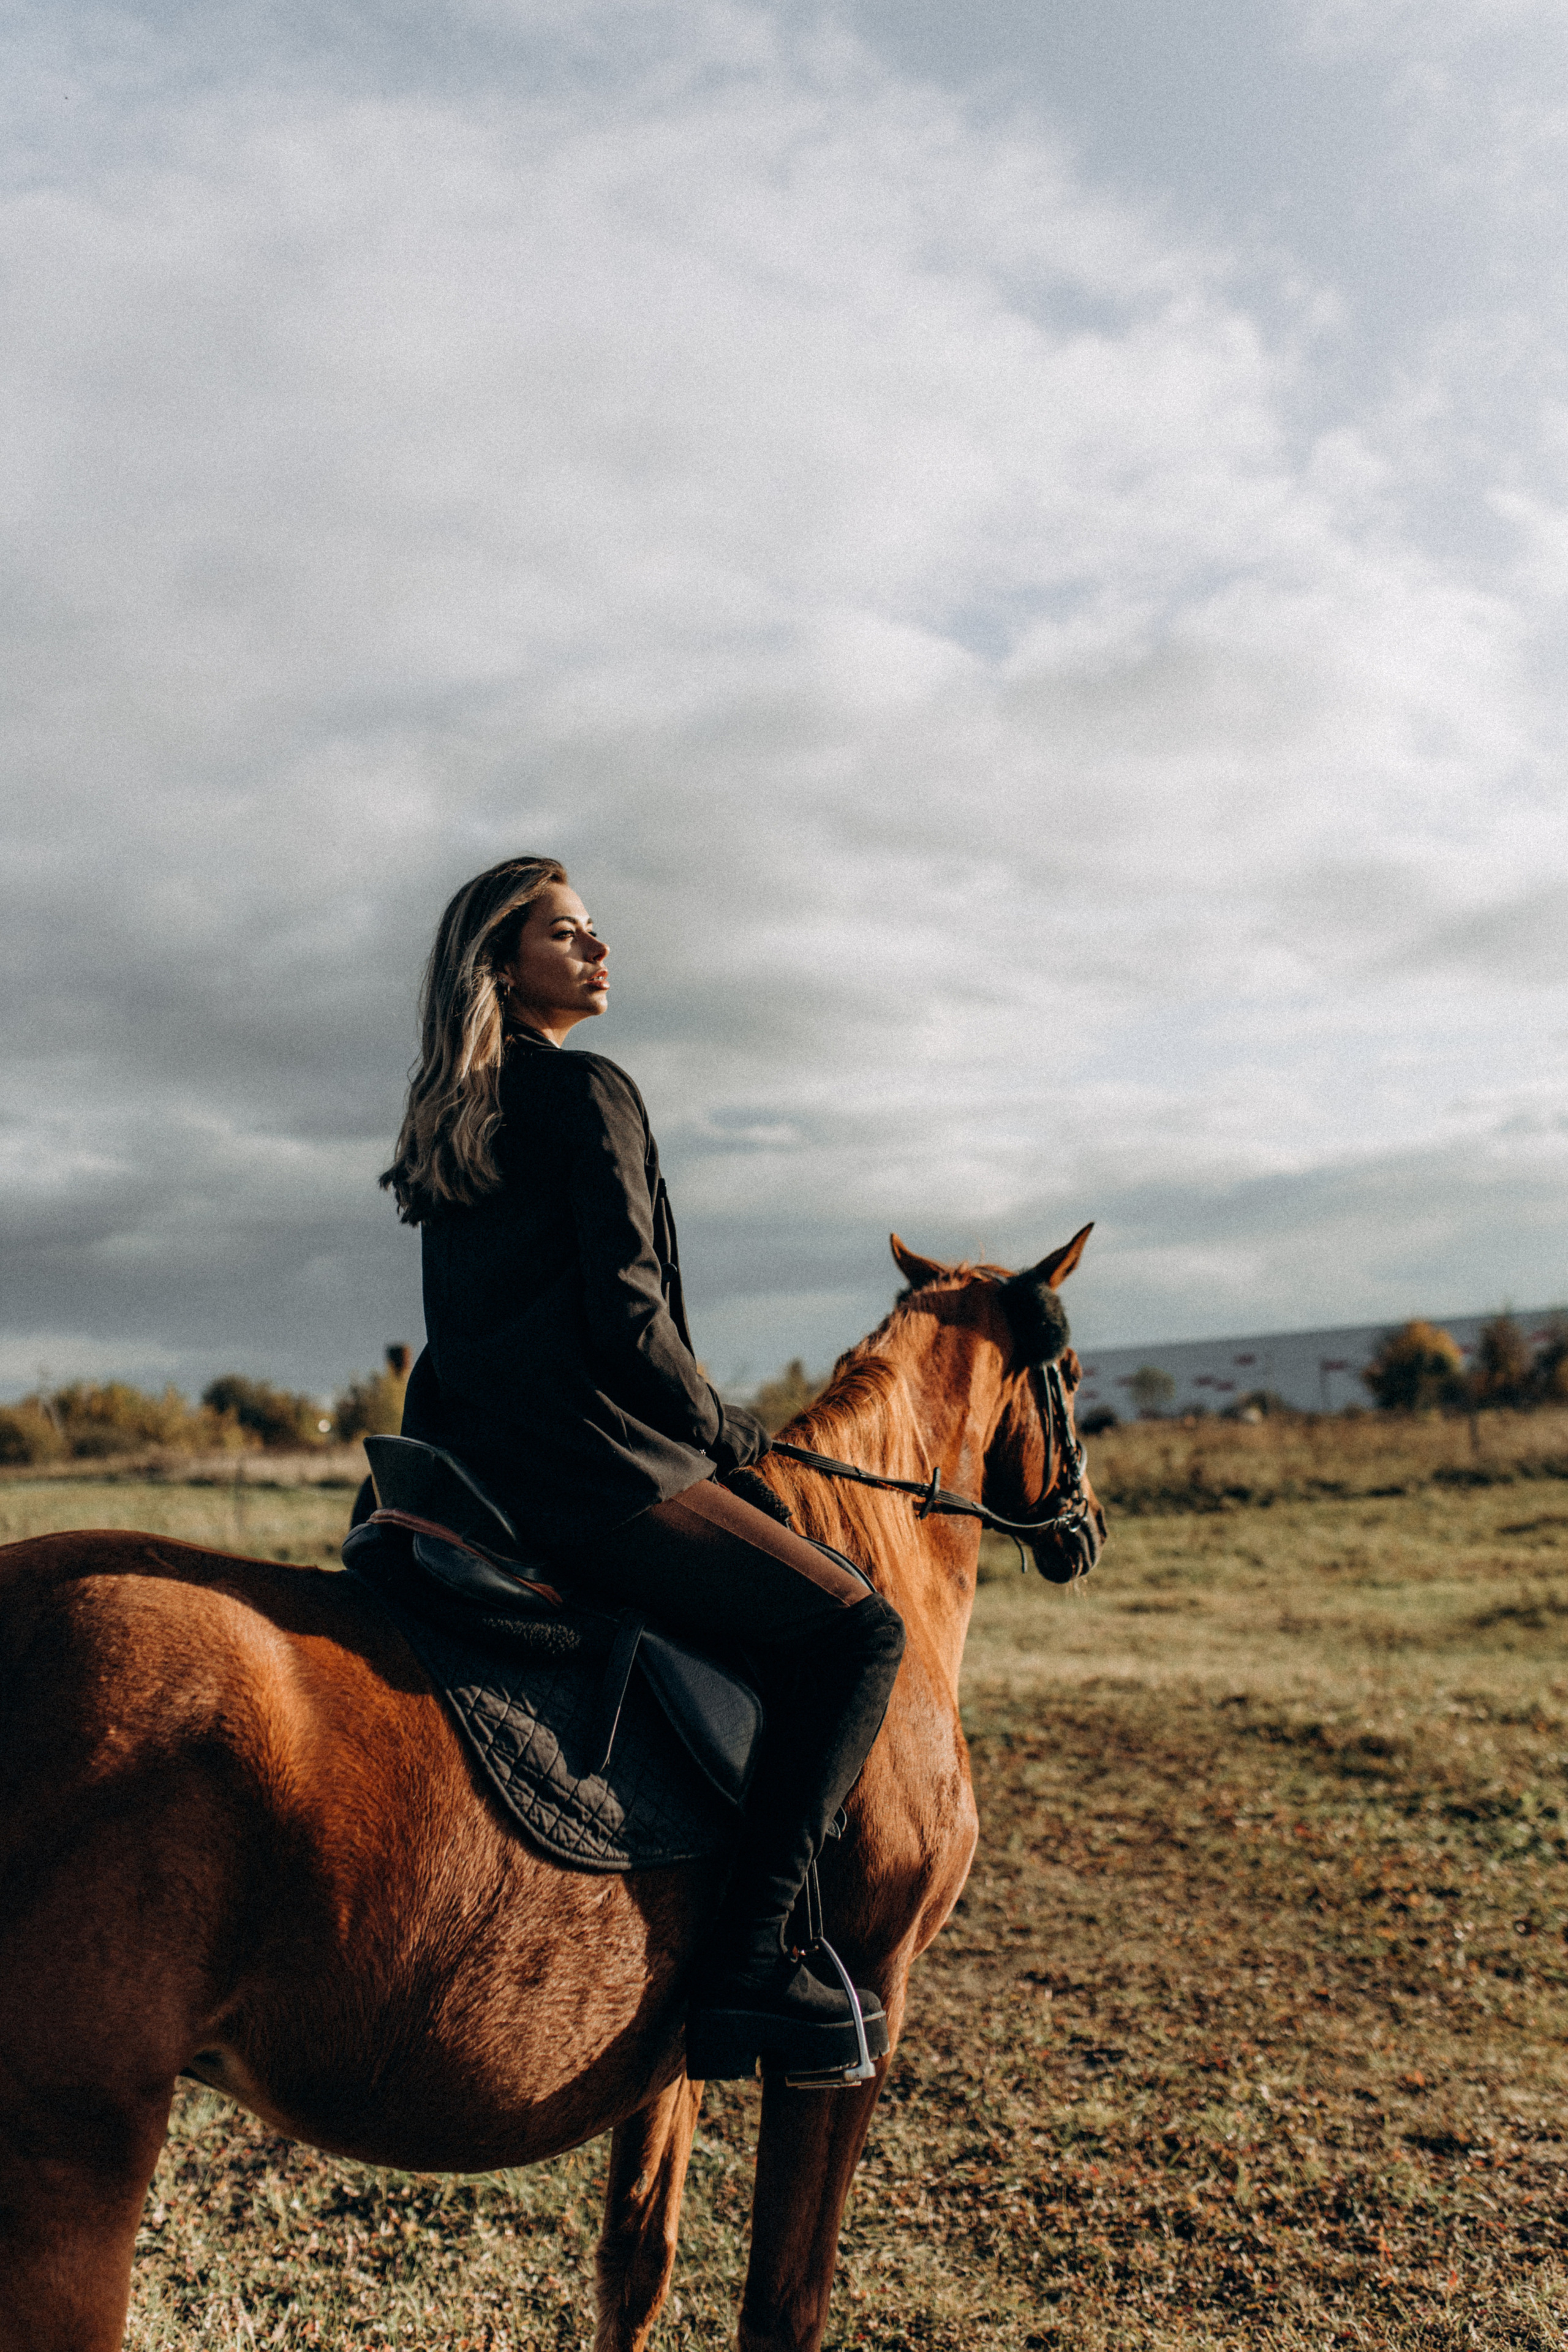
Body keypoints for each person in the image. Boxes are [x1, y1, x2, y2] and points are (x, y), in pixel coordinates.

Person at [380, 854, 906, 2078]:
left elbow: (464, 1340)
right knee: (854, 1636)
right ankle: (751, 1964)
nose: (598, 951)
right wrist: (726, 1429)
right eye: (566, 935)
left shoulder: (448, 1119)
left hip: (477, 1479)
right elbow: (628, 1320)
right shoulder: (585, 1092)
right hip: (596, 1479)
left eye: (593, 932)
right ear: (501, 966)